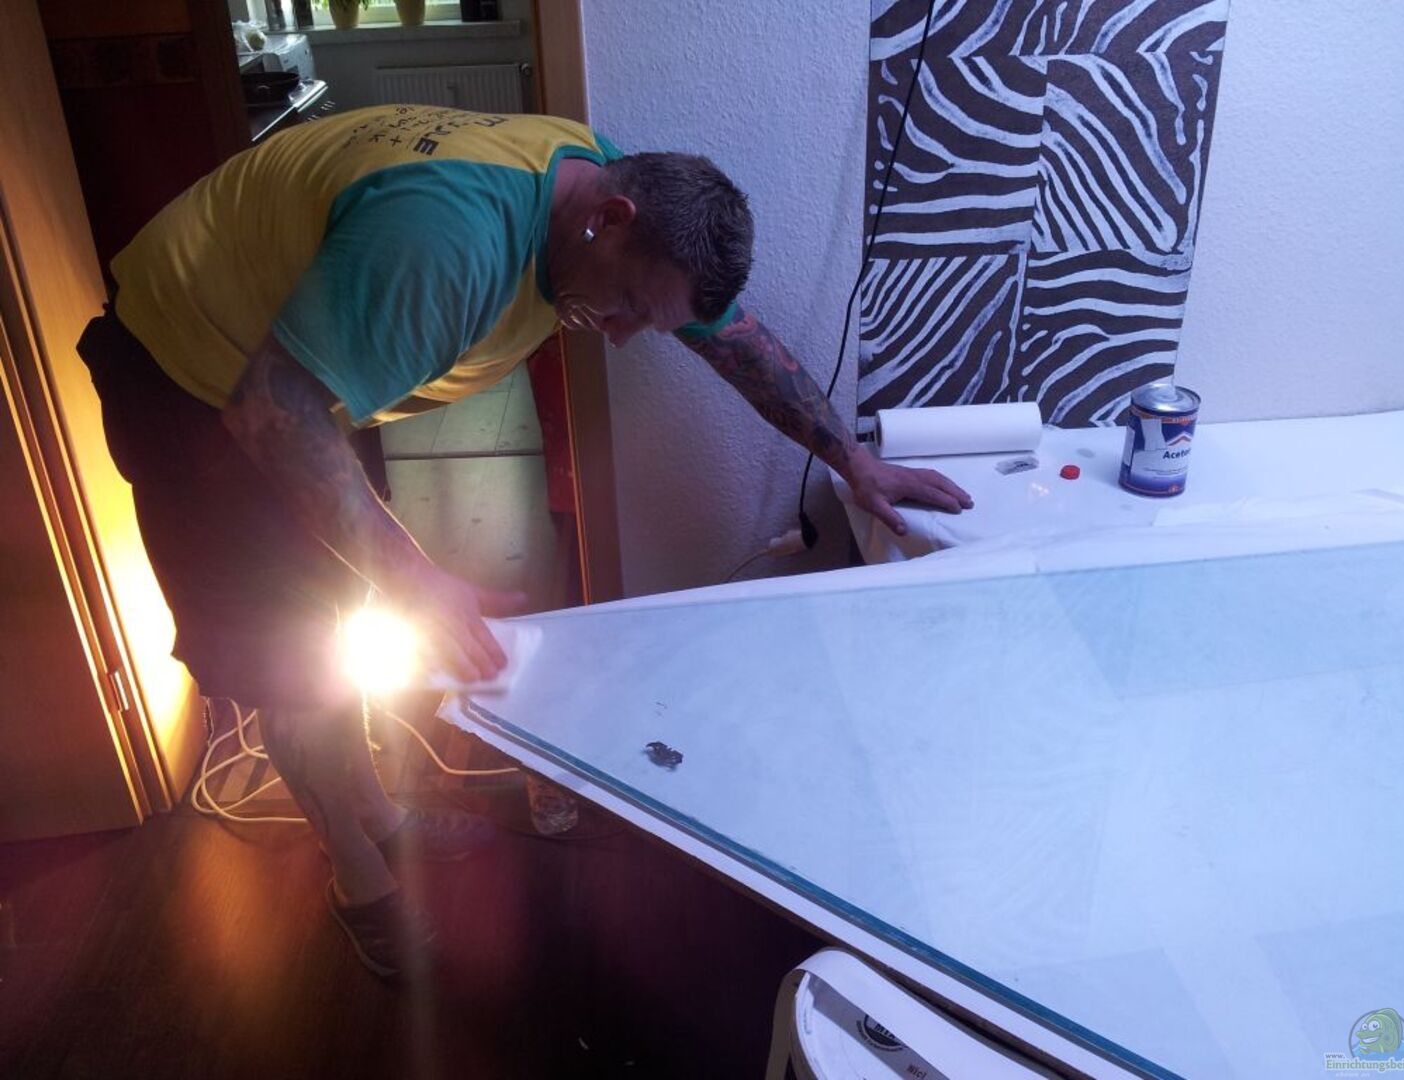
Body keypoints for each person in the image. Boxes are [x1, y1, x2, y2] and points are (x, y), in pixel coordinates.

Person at [76, 105, 971, 978]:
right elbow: (273, 416)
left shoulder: (600, 187)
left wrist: (854, 461)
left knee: (333, 608)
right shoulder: (448, 249)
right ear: (609, 218)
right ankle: (359, 882)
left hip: (289, 366)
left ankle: (381, 815)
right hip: (190, 374)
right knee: (289, 659)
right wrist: (416, 581)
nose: (622, 338)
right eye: (627, 307)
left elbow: (733, 340)